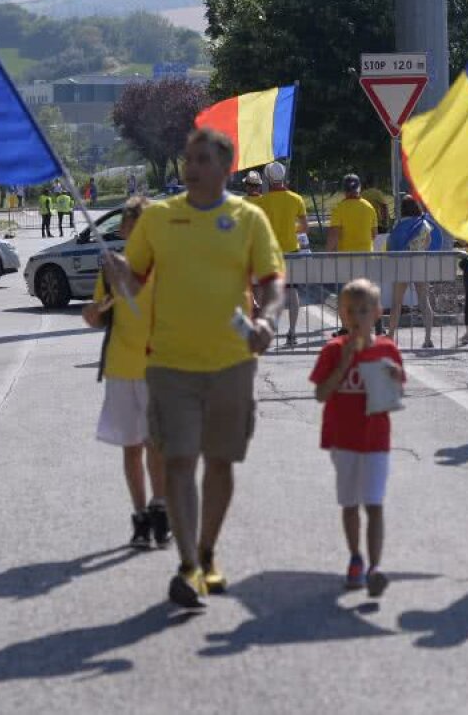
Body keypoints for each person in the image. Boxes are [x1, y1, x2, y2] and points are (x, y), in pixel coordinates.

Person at [102, 127, 286, 609]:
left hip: (232, 363)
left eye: (203, 158)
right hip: (169, 365)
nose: (192, 166)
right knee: (180, 461)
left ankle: (207, 552)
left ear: (225, 167)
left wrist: (266, 319)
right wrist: (118, 272)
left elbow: (272, 281)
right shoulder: (159, 218)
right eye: (189, 157)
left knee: (220, 463)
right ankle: (188, 565)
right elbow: (136, 282)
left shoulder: (248, 218)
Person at [82, 196, 170, 549]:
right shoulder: (112, 267)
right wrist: (92, 313)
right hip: (121, 367)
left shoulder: (166, 265)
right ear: (124, 229)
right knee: (131, 446)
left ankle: (160, 507)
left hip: (157, 367)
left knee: (156, 445)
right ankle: (140, 516)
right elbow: (98, 314)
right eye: (134, 227)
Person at [311, 278, 404, 597]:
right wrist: (346, 361)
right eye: (350, 311)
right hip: (343, 439)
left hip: (376, 439)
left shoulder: (387, 349)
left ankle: (375, 567)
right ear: (342, 315)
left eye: (364, 311)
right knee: (350, 504)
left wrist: (394, 379)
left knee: (374, 503)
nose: (357, 317)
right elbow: (321, 394)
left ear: (377, 312)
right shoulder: (333, 350)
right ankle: (355, 558)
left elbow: (397, 395)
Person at [258, 161, 308, 347]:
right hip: (292, 250)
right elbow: (304, 227)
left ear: (268, 179)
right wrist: (291, 231)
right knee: (292, 291)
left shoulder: (262, 202)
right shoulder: (296, 199)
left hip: (270, 252)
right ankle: (292, 332)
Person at [385, 195, 440, 349]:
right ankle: (428, 338)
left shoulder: (399, 224)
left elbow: (391, 245)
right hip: (420, 265)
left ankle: (390, 337)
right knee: (424, 301)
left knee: (397, 303)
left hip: (402, 265)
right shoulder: (424, 224)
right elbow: (430, 243)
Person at [327, 174, 377, 253]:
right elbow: (374, 234)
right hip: (366, 256)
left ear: (344, 189)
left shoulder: (339, 209)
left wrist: (329, 253)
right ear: (359, 188)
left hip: (346, 257)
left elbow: (334, 234)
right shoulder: (369, 207)